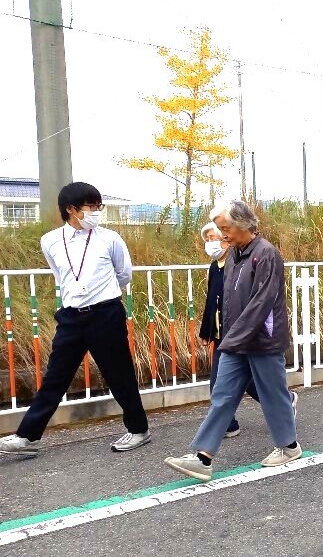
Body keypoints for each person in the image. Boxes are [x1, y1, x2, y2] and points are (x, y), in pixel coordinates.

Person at [0, 182, 150, 457]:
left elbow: (124, 274)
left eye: (98, 206)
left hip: (105, 313)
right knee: (56, 376)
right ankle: (27, 437)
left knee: (119, 373)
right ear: (71, 209)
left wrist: (101, 294)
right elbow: (61, 276)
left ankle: (139, 429)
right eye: (91, 206)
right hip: (71, 316)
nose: (96, 212)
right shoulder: (50, 240)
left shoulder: (110, 238)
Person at [165, 200, 300, 481]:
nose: (222, 234)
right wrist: (225, 336)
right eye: (220, 229)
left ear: (243, 225)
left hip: (262, 340)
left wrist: (231, 339)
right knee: (222, 395)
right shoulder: (233, 256)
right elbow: (226, 302)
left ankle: (289, 447)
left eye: (225, 228)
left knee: (273, 394)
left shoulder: (266, 253)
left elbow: (261, 303)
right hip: (235, 340)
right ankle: (203, 457)